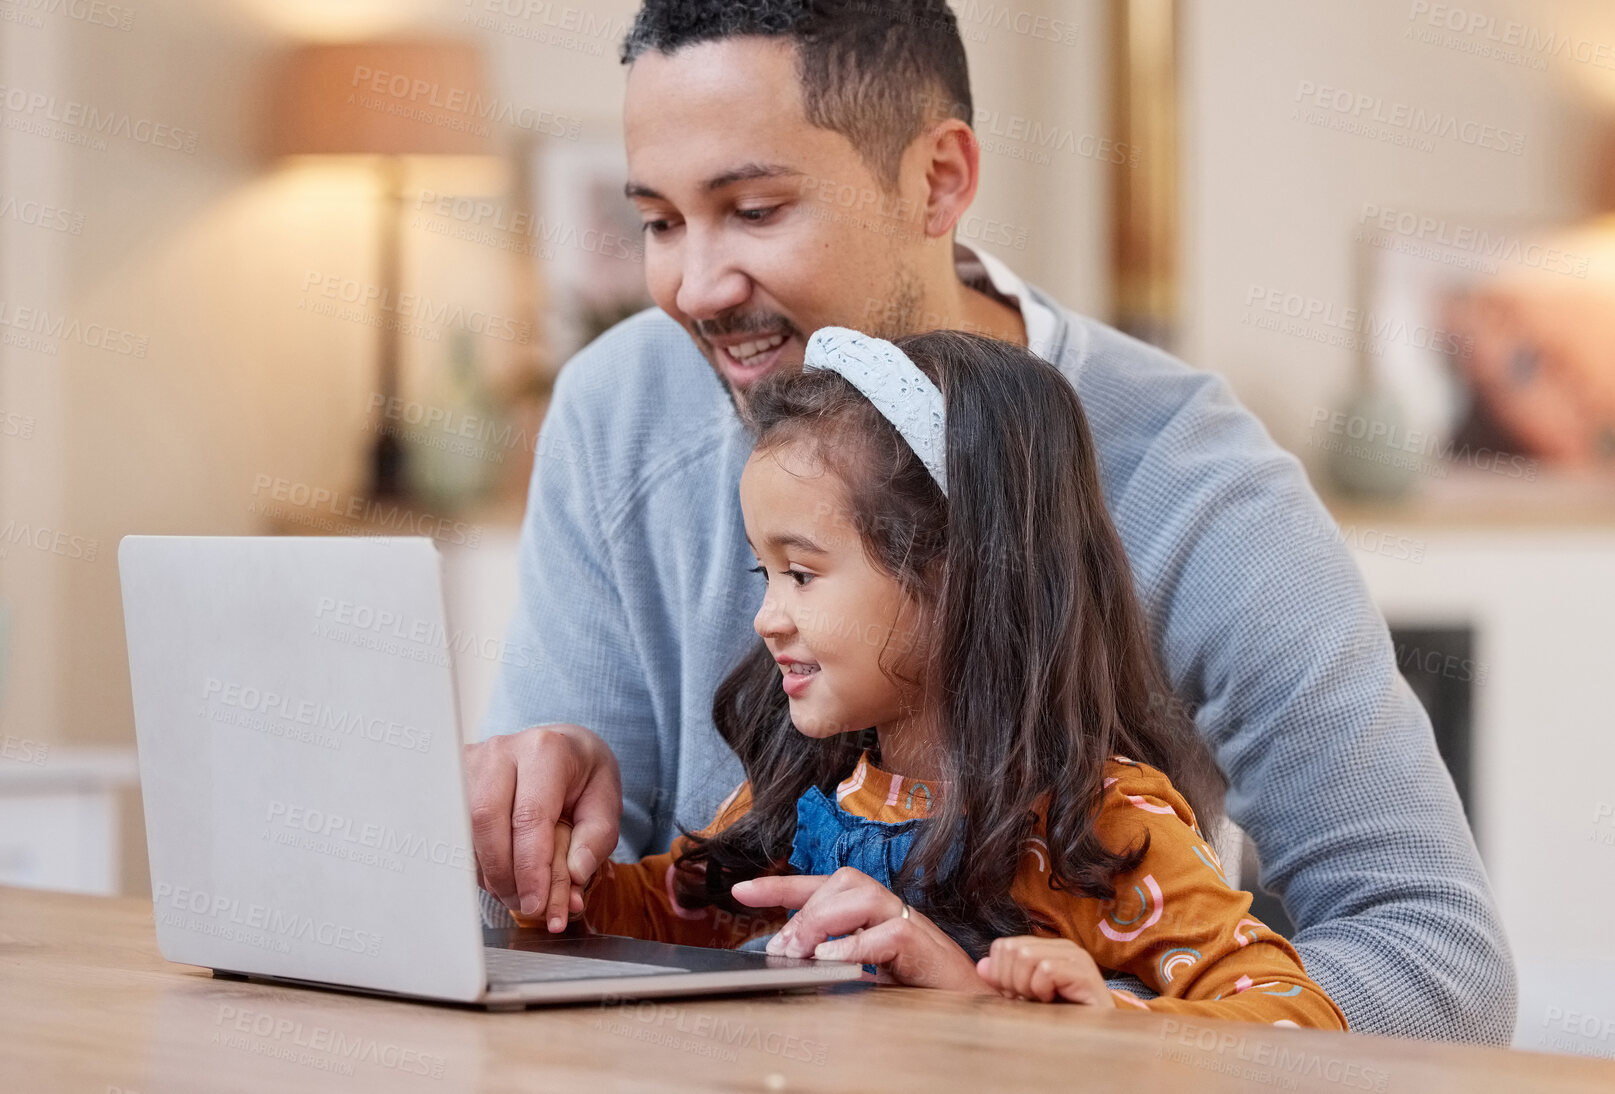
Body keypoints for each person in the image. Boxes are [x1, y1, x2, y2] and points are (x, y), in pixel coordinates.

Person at [466, 0, 1514, 1042]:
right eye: (660, 222)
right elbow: (585, 920)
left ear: (940, 179)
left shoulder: (1193, 478)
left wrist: (1078, 1028)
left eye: (756, 210)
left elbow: (1437, 957)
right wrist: (529, 835)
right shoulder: (617, 404)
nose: (693, 286)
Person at [515, 326, 1347, 1026]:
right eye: (759, 575)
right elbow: (659, 919)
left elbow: (1292, 1019)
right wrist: (539, 867)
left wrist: (1079, 1020)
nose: (766, 618)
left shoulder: (1099, 825)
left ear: (955, 575)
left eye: (801, 574)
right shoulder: (807, 795)